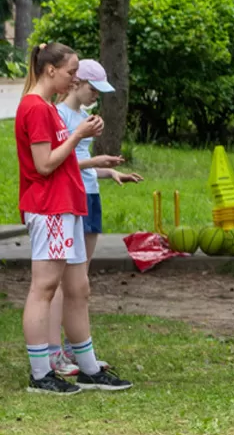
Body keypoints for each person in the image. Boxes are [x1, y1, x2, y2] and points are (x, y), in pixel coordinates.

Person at [16, 42, 132, 394]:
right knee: (44, 288)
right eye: (71, 72)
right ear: (50, 70)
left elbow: (62, 157)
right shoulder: (35, 108)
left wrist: (84, 142)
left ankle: (89, 368)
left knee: (78, 289)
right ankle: (41, 374)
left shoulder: (50, 109)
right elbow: (44, 165)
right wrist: (79, 135)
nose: (74, 79)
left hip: (69, 206)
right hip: (49, 207)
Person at [46, 59, 142, 377]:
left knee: (80, 280)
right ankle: (53, 351)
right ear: (76, 82)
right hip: (71, 198)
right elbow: (59, 162)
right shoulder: (59, 115)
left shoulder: (84, 117)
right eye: (93, 89)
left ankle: (76, 345)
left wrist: (109, 172)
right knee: (61, 281)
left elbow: (81, 161)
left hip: (90, 196)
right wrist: (95, 161)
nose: (95, 96)